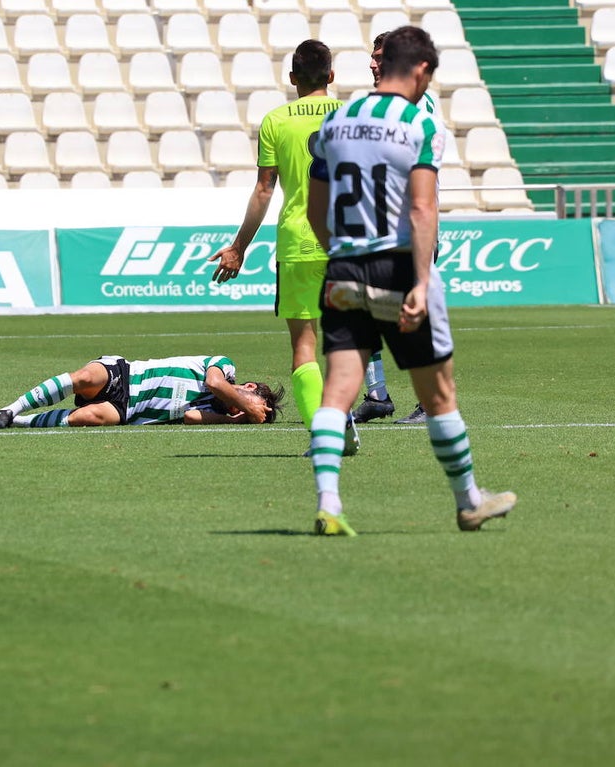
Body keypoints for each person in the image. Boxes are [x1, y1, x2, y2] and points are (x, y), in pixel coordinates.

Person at [305, 25, 516, 536]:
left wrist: (340, 255)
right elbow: (422, 209)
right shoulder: (420, 124)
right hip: (398, 267)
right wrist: (420, 283)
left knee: (338, 390)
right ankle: (468, 501)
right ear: (421, 69)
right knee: (439, 394)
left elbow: (315, 210)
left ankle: (329, 504)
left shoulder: (336, 121)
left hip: (344, 267)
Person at [206, 40, 360, 454]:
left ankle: (325, 433)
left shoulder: (276, 120)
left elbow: (264, 189)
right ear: (331, 75)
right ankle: (343, 412)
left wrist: (239, 247)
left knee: (304, 346)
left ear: (292, 78)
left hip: (298, 242)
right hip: (348, 241)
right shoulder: (353, 117)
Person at [353, 30, 449, 426]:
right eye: (373, 57)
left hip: (408, 230)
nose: (372, 64)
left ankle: (431, 403)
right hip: (380, 229)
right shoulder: (387, 105)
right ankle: (377, 396)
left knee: (410, 315)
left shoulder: (415, 107)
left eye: (379, 57)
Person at [0, 354, 282, 429]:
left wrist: (233, 419)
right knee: (84, 378)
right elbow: (214, 383)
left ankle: (14, 422)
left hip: (129, 411)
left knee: (88, 417)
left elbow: (190, 417)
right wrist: (248, 408)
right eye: (256, 404)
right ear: (250, 387)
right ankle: (9, 409)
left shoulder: (216, 411)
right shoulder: (225, 368)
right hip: (125, 376)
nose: (243, 410)